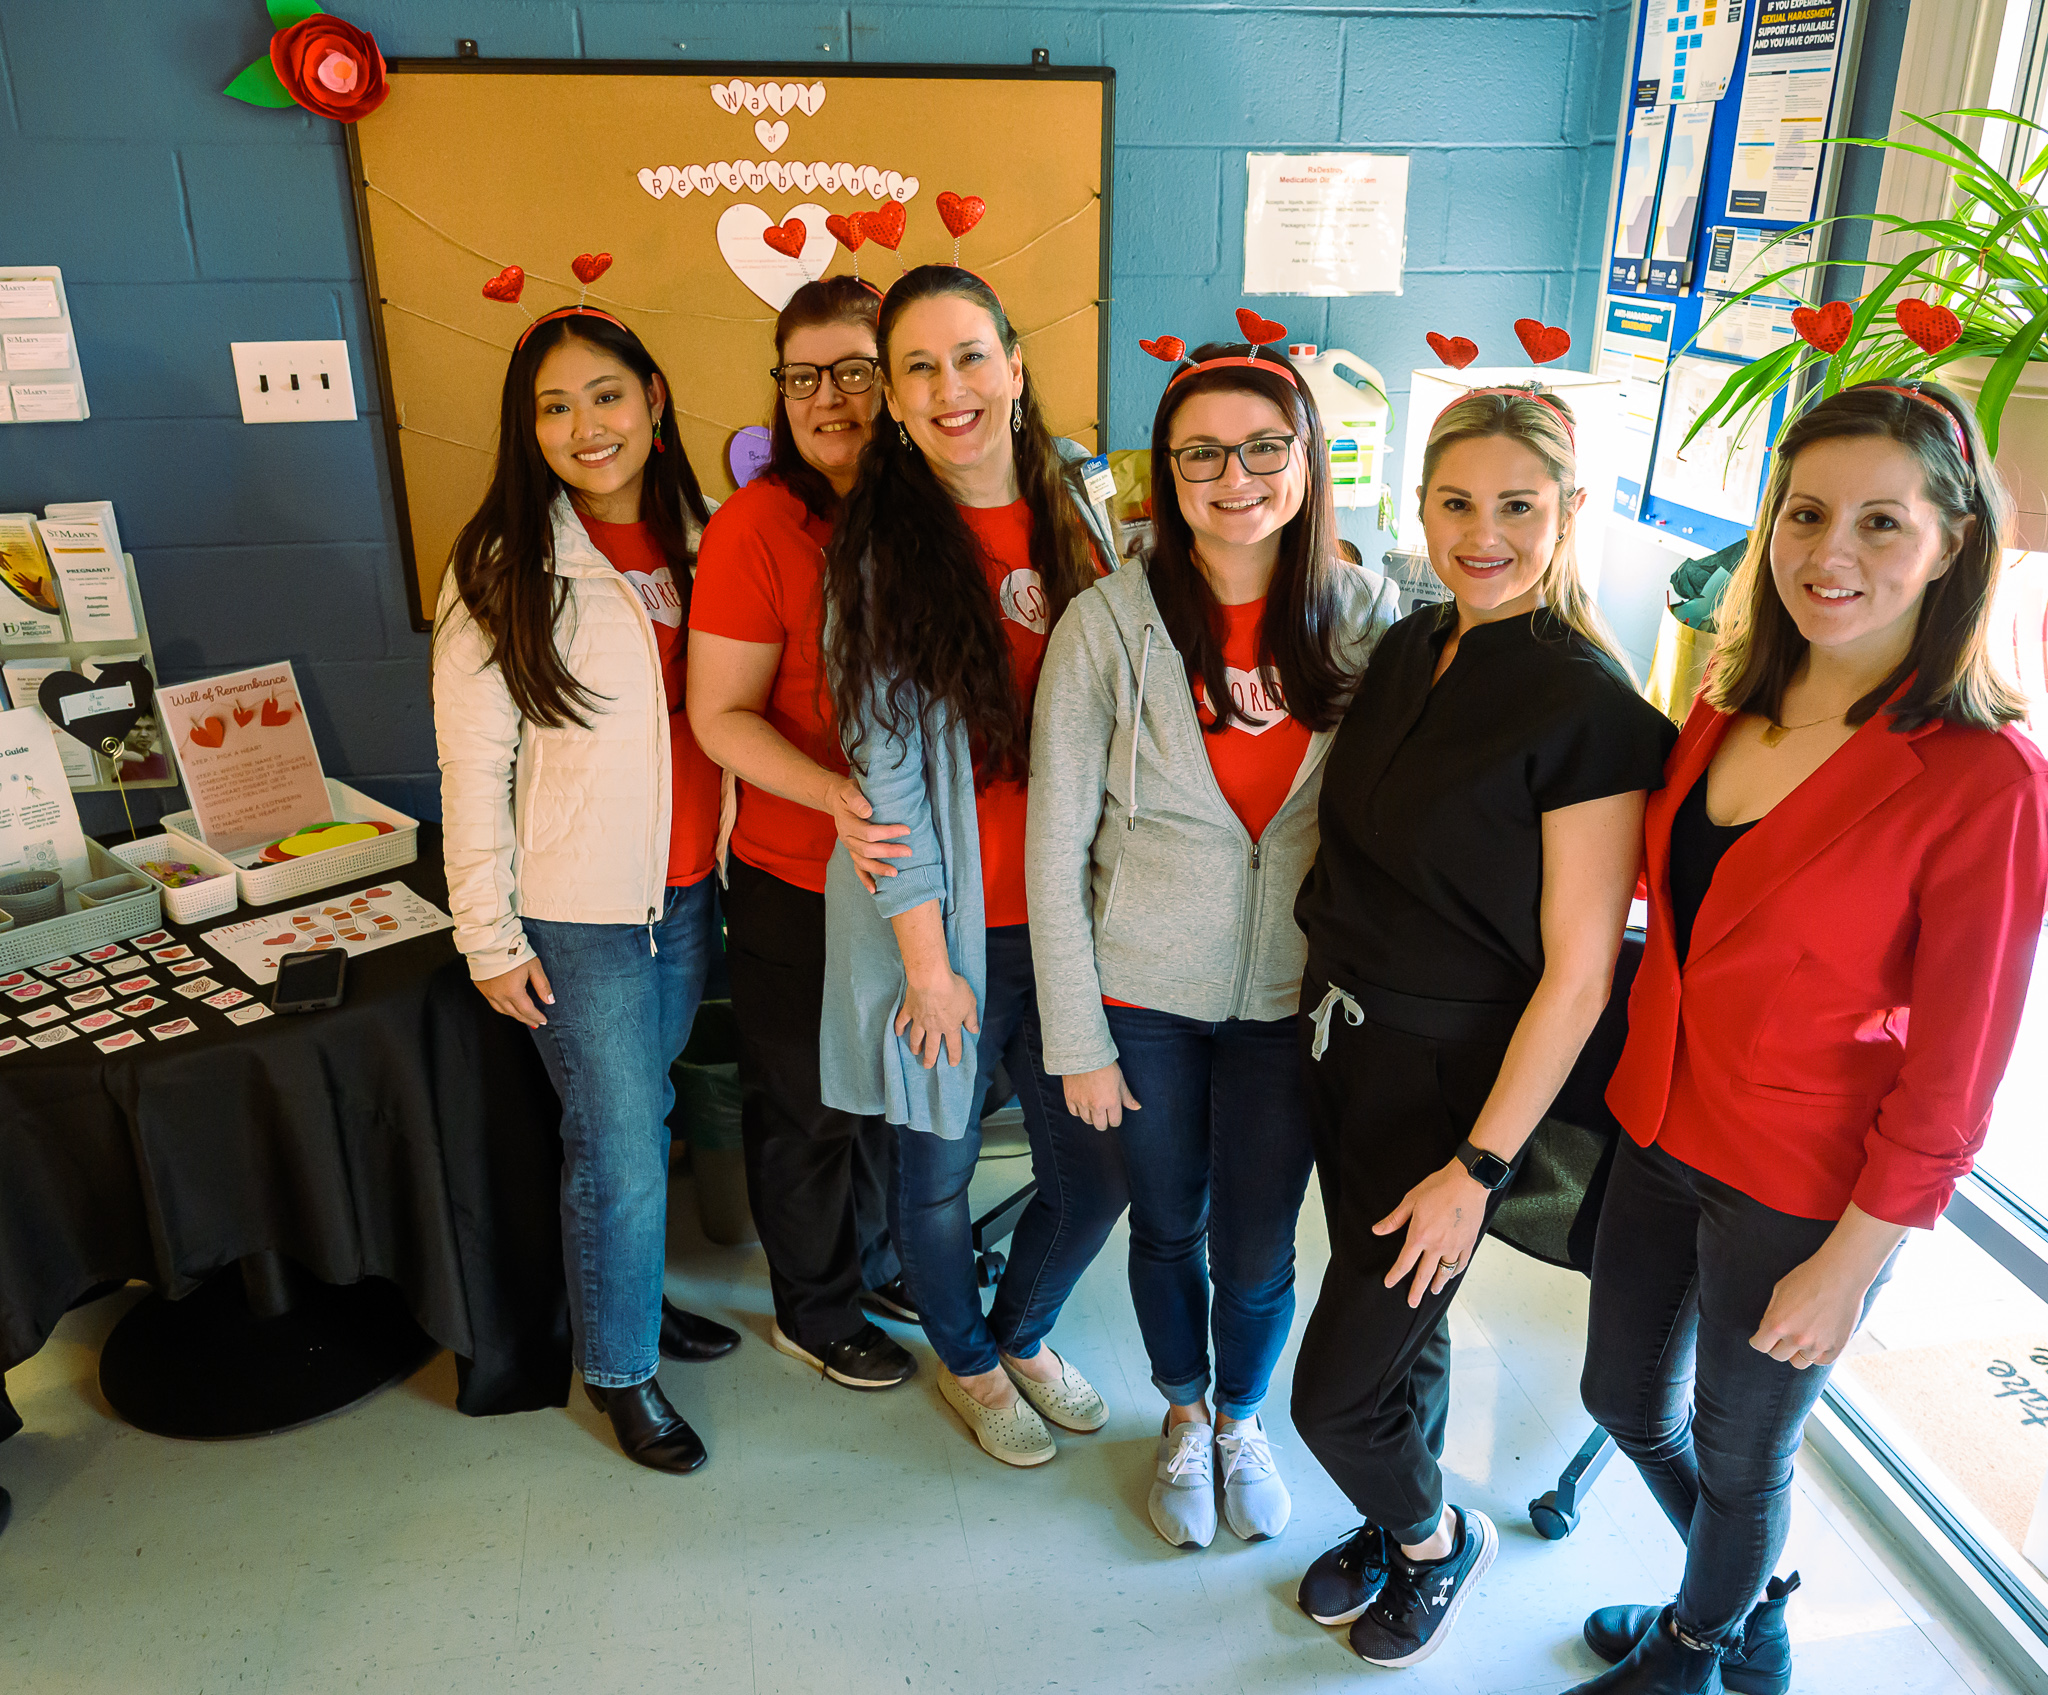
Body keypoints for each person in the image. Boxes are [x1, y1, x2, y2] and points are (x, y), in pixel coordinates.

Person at [1570, 381, 2048, 1695]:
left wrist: (1854, 1259)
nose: (1829, 553)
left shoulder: (1984, 776)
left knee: (1741, 1456)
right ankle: (1751, 1589)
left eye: (1881, 523)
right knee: (1620, 1399)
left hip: (1801, 1186)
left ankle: (1694, 1644)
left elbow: (1960, 1068)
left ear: (1954, 544)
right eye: (1805, 513)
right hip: (1660, 1126)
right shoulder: (1732, 701)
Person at [1289, 387, 1677, 1667]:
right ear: (1417, 509)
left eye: (1518, 504)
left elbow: (1575, 977)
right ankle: (1394, 1510)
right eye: (1456, 502)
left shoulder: (1588, 712)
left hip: (1449, 1083)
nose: (1483, 532)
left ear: (1569, 515)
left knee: (1333, 1395)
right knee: (1405, 1327)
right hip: (1342, 1044)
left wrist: (1475, 1169)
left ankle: (1431, 1537)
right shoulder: (1412, 646)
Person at [1026, 336, 1398, 1547]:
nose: (1234, 478)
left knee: (1253, 1240)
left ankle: (1243, 1418)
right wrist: (1074, 1034)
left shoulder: (1366, 616)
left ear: (1306, 460)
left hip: (1294, 998)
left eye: (1262, 448)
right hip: (1141, 996)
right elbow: (1053, 840)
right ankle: (1181, 1415)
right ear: (1164, 472)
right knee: (1166, 1221)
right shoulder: (1105, 624)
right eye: (1200, 455)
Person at [818, 264, 1124, 1468]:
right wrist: (927, 966)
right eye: (918, 369)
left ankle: (1022, 1328)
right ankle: (965, 1360)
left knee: (1094, 1169)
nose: (952, 389)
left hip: (1063, 920)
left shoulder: (1077, 515)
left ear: (1014, 363)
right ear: (891, 401)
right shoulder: (878, 551)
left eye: (970, 357)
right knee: (935, 1171)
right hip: (941, 923)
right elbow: (885, 777)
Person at [434, 306, 740, 1477]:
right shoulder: (505, 567)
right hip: (579, 915)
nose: (583, 426)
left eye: (605, 396)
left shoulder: (704, 537)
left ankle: (634, 1307)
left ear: (655, 401)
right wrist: (488, 936)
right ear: (528, 429)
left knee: (643, 1122)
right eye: (553, 407)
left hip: (685, 896)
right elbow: (474, 764)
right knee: (613, 1147)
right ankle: (617, 1372)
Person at [687, 278, 918, 1392]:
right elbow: (718, 714)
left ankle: (875, 1261)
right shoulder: (755, 524)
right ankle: (814, 1308)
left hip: (921, 873)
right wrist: (835, 796)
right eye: (802, 376)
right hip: (798, 870)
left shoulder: (933, 508)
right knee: (809, 1106)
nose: (828, 398)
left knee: (888, 1091)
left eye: (857, 372)